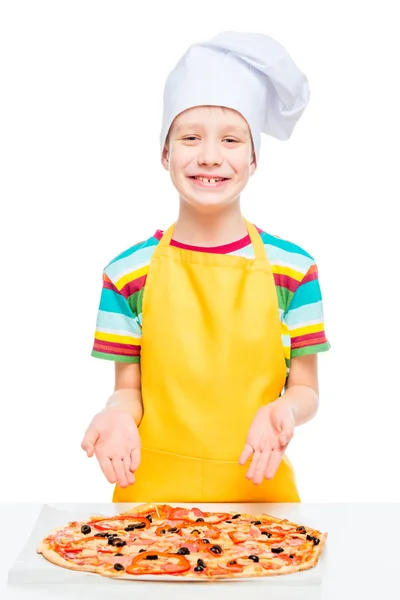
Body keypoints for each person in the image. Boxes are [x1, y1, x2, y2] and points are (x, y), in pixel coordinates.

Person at [81, 31, 330, 503]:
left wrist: (286, 412)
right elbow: (129, 391)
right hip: (150, 505)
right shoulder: (126, 273)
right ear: (165, 153)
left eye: (231, 140)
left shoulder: (294, 270)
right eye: (190, 137)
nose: (210, 155)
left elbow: (306, 388)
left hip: (261, 504)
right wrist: (115, 413)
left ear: (254, 158)